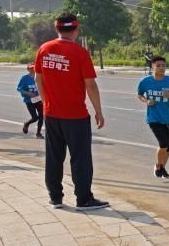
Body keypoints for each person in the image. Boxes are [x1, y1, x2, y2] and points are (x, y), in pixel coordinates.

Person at [35, 11, 108, 211]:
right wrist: (99, 111)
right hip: (75, 116)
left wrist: (45, 101)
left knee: (54, 156)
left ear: (56, 28)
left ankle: (55, 197)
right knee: (80, 158)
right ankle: (83, 199)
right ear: (76, 29)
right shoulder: (80, 53)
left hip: (51, 114)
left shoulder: (44, 49)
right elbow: (90, 85)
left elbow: (38, 78)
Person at [136, 56, 169, 178]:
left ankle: (163, 167)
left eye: (163, 65)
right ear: (152, 67)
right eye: (158, 65)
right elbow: (139, 94)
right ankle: (158, 165)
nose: (161, 68)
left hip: (168, 119)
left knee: (168, 147)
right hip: (153, 118)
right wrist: (146, 101)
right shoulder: (145, 81)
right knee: (164, 143)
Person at [17, 63, 44, 138]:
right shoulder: (24, 78)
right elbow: (19, 89)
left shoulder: (39, 77)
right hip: (29, 101)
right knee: (35, 118)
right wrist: (29, 93)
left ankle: (38, 133)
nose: (33, 69)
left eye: (34, 68)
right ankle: (27, 124)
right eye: (31, 68)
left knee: (41, 116)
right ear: (28, 69)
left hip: (39, 100)